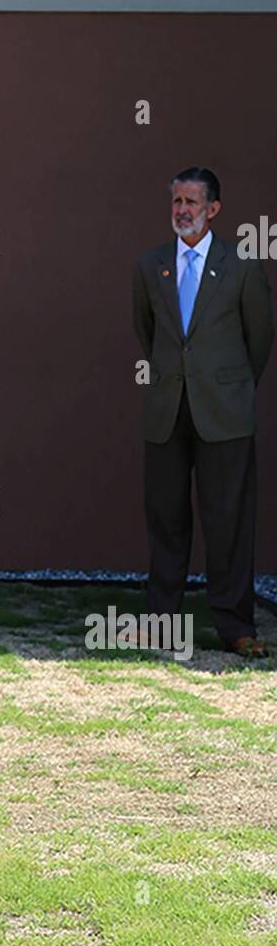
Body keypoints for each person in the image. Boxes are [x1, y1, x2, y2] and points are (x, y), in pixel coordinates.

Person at [133, 167, 273, 656]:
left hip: (225, 412)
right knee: (166, 521)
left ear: (213, 209)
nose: (183, 210)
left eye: (192, 202)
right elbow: (147, 333)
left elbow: (259, 339)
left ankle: (236, 626)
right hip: (167, 411)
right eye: (177, 201)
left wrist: (229, 386)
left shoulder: (242, 265)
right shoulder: (151, 266)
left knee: (228, 521)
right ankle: (161, 621)